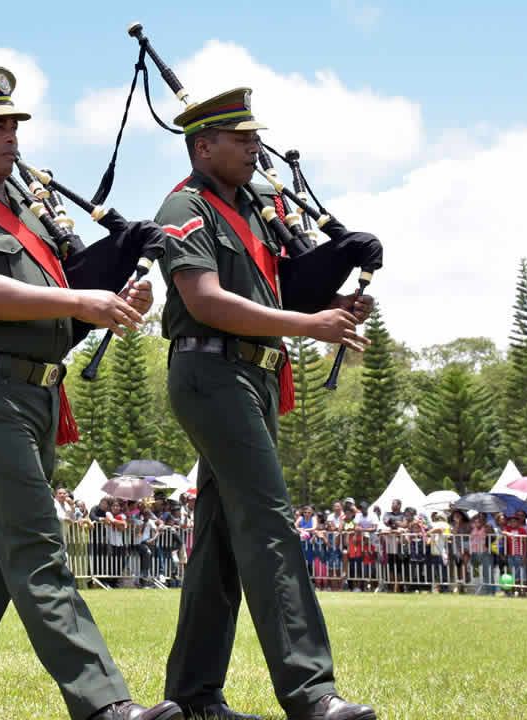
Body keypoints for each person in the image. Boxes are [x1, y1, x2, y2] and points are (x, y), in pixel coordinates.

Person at [0, 66, 176, 720]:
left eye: (15, 124)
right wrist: (79, 296)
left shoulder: (32, 212)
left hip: (37, 394)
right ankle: (103, 702)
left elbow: (58, 315)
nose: (12, 136)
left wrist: (111, 302)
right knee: (36, 548)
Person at [156, 88, 376, 720]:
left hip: (250, 375)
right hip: (210, 369)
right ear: (203, 146)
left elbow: (280, 290)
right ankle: (311, 694)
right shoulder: (185, 205)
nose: (255, 147)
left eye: (255, 136)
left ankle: (194, 696)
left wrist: (328, 304)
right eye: (241, 138)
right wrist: (310, 328)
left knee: (222, 538)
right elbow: (204, 300)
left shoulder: (253, 208)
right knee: (270, 521)